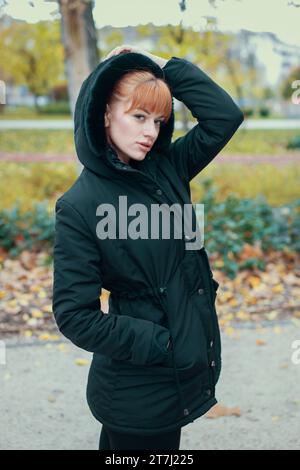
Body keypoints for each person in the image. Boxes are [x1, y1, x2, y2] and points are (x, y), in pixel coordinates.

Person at [52, 44, 244, 451]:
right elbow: (74, 315)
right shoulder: (79, 205)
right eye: (138, 116)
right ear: (105, 113)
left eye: (158, 120)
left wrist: (158, 64)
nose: (150, 132)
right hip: (138, 381)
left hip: (173, 374)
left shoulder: (167, 170)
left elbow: (225, 116)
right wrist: (166, 344)